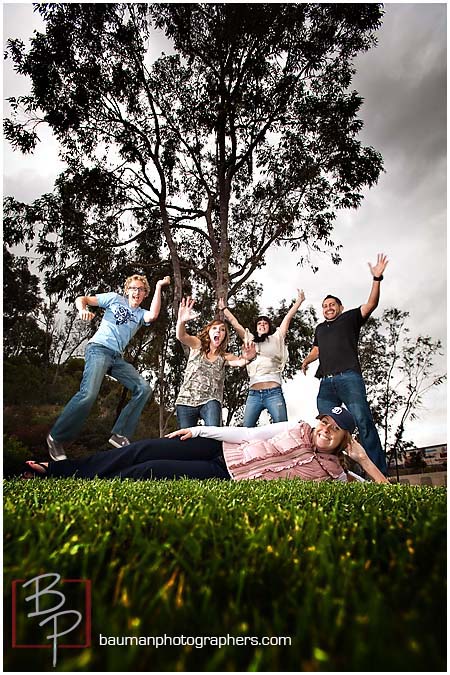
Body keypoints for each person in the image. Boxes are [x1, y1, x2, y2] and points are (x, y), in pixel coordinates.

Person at [23, 406, 388, 484]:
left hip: (224, 474)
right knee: (141, 449)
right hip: (217, 450)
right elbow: (249, 435)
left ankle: (82, 479)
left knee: (145, 471)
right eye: (325, 421)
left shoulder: (336, 475)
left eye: (335, 428)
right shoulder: (298, 426)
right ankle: (54, 469)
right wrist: (200, 432)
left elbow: (383, 494)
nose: (326, 429)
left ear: (345, 437)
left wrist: (363, 461)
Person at [46, 274, 171, 461]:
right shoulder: (114, 298)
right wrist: (82, 309)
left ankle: (120, 434)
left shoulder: (139, 314)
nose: (137, 292)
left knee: (143, 388)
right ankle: (56, 438)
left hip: (116, 358)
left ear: (145, 294)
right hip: (98, 350)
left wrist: (159, 286)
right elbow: (83, 299)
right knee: (88, 394)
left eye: (141, 290)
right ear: (127, 290)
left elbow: (153, 315)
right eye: (133, 288)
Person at [301, 253, 389, 474]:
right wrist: (306, 361)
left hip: (349, 378)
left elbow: (371, 304)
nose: (328, 308)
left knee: (363, 421)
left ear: (339, 307)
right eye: (325, 306)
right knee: (327, 427)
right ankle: (335, 473)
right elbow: (317, 350)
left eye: (332, 305)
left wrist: (376, 279)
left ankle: (377, 473)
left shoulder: (349, 318)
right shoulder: (320, 329)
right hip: (326, 385)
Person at [219, 290, 305, 426]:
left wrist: (299, 301)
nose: (262, 325)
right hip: (254, 393)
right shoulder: (250, 339)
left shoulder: (276, 337)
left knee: (281, 428)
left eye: (265, 323)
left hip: (273, 392)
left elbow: (287, 318)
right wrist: (224, 309)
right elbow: (235, 324)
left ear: (269, 327)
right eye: (259, 323)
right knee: (247, 429)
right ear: (256, 328)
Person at [175, 297, 257, 428]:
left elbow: (240, 362)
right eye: (215, 328)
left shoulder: (224, 356)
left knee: (213, 436)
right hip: (186, 401)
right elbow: (182, 336)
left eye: (222, 329)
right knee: (185, 441)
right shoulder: (198, 345)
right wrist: (181, 322)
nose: (218, 331)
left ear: (224, 336)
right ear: (208, 331)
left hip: (210, 401)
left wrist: (248, 357)